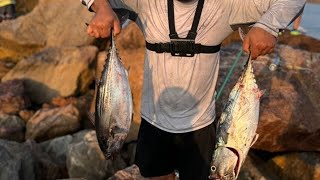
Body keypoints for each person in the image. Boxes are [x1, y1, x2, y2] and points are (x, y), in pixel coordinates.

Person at [80, 0, 306, 179]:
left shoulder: (226, 6)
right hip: (154, 120)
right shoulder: (144, 3)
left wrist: (267, 26)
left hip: (201, 125)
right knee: (157, 175)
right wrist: (102, 7)